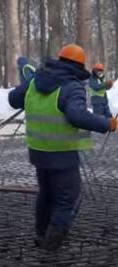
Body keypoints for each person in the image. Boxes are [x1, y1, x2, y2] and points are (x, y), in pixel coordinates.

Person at [8, 44, 118, 251]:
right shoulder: (71, 86)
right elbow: (77, 116)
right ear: (79, 66)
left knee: (47, 194)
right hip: (62, 153)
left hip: (38, 151)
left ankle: (41, 235)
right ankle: (52, 243)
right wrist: (107, 123)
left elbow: (13, 99)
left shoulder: (36, 81)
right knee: (69, 198)